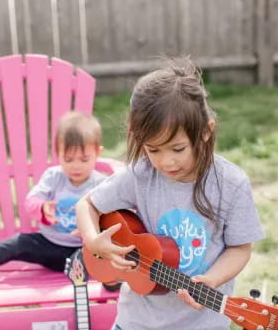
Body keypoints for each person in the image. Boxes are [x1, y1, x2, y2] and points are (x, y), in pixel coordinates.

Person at [76, 56, 265, 329]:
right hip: (136, 321)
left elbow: (240, 249)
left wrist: (212, 279)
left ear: (205, 133)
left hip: (201, 324)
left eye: (177, 149)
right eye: (153, 150)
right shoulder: (141, 175)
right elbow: (87, 205)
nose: (166, 162)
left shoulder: (230, 184)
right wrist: (94, 241)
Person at [0, 111, 120, 291]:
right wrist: (42, 208)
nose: (75, 165)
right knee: (20, 242)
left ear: (97, 153)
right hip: (49, 245)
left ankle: (110, 277)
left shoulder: (100, 184)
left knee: (97, 251)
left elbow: (112, 216)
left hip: (82, 250)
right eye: (68, 159)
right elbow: (31, 200)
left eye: (84, 159)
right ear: (58, 154)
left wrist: (94, 228)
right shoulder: (54, 177)